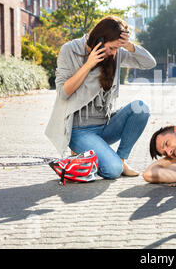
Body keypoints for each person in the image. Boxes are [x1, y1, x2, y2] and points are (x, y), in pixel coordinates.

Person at [45, 15, 156, 179]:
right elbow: (63, 92)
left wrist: (129, 45)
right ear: (100, 40)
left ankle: (119, 159)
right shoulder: (70, 50)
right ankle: (80, 160)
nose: (113, 54)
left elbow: (149, 63)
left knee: (141, 109)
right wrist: (89, 64)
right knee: (112, 170)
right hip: (79, 131)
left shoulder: (115, 53)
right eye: (112, 48)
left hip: (105, 125)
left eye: (117, 49)